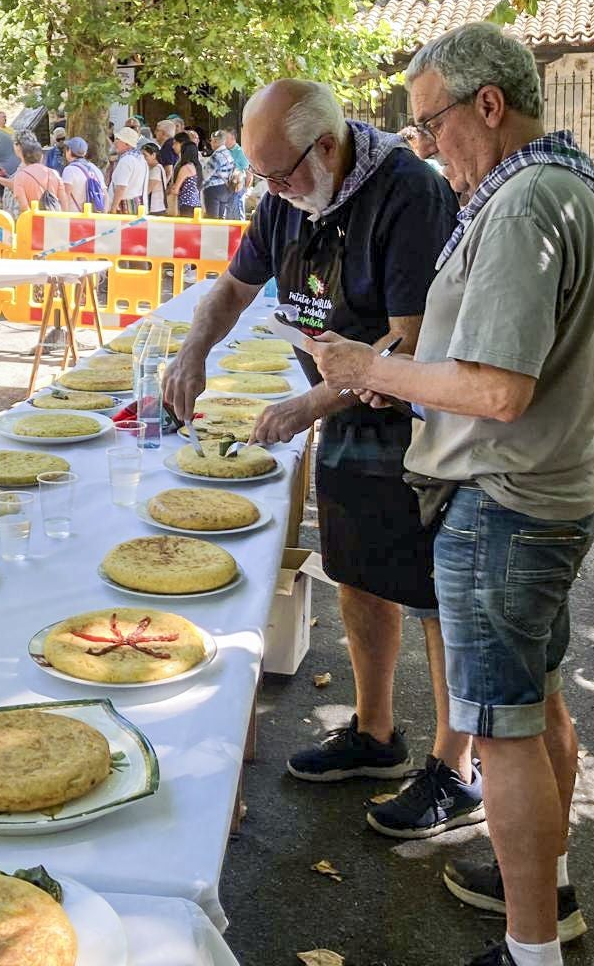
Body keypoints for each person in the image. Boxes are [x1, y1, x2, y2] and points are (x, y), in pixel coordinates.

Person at [311, 23, 594, 966]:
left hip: (502, 502)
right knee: (540, 705)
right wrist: (400, 370)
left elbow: (496, 388)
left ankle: (531, 949)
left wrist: (380, 368)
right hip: (541, 493)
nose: (424, 143)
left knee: (505, 733)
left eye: (431, 121)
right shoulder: (569, 187)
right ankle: (546, 890)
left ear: (488, 105)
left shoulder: (525, 204)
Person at [162, 80, 475, 844]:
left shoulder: (409, 195)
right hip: (341, 415)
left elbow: (409, 338)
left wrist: (307, 408)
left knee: (434, 597)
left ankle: (453, 770)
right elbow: (234, 288)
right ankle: (376, 734)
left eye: (278, 175)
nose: (270, 192)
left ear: (326, 148)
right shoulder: (285, 196)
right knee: (359, 572)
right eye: (261, 178)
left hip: (418, 423)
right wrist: (193, 350)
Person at [0, 133, 74, 213]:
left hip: (33, 221)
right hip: (53, 220)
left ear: (23, 155)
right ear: (41, 156)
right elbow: (64, 202)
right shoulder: (54, 173)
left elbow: (24, 207)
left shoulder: (21, 176)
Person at [109, 126, 148, 213]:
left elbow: (121, 187)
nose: (115, 143)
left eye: (118, 139)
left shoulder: (127, 160)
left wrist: (113, 208)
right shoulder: (140, 158)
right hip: (136, 203)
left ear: (127, 144)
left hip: (124, 205)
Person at [62, 137, 107, 211]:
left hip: (74, 217)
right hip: (92, 219)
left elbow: (65, 197)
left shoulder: (69, 170)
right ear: (84, 153)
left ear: (69, 151)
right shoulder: (94, 169)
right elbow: (106, 197)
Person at [168, 136, 202, 215]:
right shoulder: (196, 167)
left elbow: (176, 189)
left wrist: (170, 190)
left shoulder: (185, 168)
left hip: (186, 205)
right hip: (196, 203)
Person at [141, 140, 168, 215]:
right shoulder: (154, 168)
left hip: (155, 208)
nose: (143, 158)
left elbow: (147, 190)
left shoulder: (156, 169)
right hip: (157, 207)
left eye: (145, 155)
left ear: (153, 155)